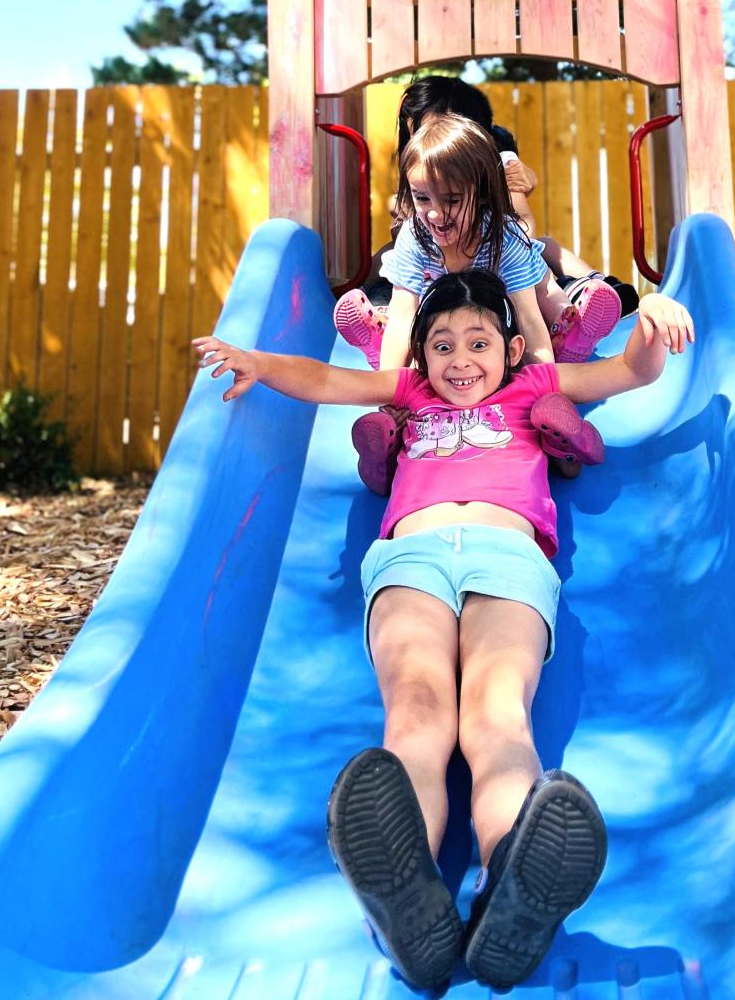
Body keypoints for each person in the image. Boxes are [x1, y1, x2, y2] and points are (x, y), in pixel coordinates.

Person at [192, 266, 694, 991]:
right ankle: (409, 900)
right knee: (418, 712)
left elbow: (629, 371)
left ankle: (513, 883)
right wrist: (259, 362)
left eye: (479, 342)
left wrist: (653, 317)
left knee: (496, 716)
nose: (460, 361)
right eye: (442, 345)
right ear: (421, 355)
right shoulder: (409, 393)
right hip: (412, 559)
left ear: (512, 349)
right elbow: (324, 383)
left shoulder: (537, 386)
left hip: (509, 558)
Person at [341, 112, 618, 496]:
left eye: (451, 200)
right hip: (444, 349)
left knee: (528, 401)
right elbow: (404, 317)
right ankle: (391, 446)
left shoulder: (502, 238)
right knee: (420, 389)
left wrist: (549, 387)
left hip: (494, 346)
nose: (435, 213)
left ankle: (559, 440)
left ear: (482, 192)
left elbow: (529, 320)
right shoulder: (415, 237)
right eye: (422, 198)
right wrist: (391, 391)